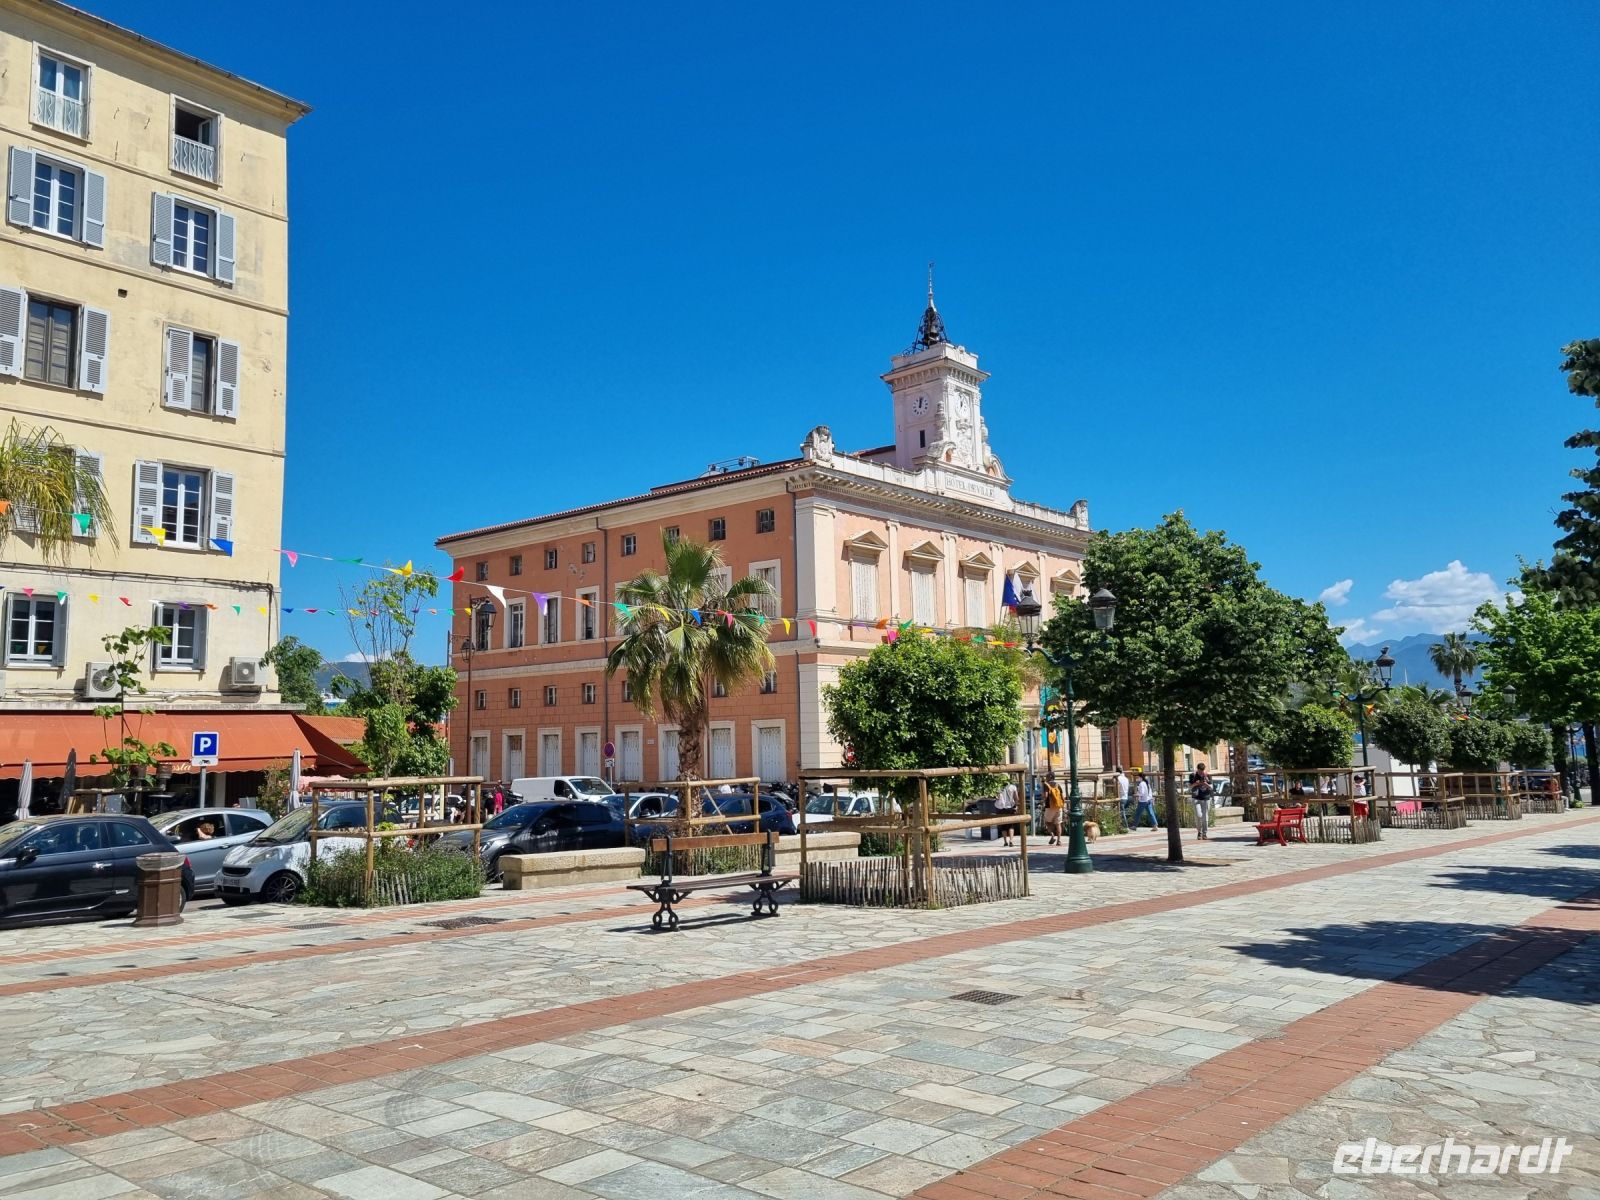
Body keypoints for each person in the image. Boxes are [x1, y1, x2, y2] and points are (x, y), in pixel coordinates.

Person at [1189, 762, 1214, 841]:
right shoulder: (1193, 775)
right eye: (1199, 771)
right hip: (1196, 797)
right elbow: (1190, 787)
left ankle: (1204, 833)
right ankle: (1199, 831)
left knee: (1205, 817)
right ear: (1197, 770)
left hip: (1206, 798)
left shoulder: (1207, 776)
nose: (1201, 773)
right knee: (1198, 815)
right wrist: (1196, 784)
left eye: (1202, 771)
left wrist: (1206, 784)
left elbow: (1211, 788)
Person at [1041, 772, 1065, 844]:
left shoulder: (1046, 785)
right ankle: (1059, 840)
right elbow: (1062, 796)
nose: (1046, 777)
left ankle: (1052, 835)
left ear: (1049, 777)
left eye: (1047, 776)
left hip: (1050, 806)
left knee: (1047, 822)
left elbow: (1045, 796)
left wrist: (1043, 801)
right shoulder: (1058, 785)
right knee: (1058, 824)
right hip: (1058, 806)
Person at [995, 778, 1019, 847]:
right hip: (1010, 808)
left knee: (1003, 826)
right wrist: (1016, 806)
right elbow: (1016, 798)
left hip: (1001, 808)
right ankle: (1011, 841)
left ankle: (1005, 841)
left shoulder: (999, 787)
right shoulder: (1013, 787)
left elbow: (997, 797)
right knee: (1011, 825)